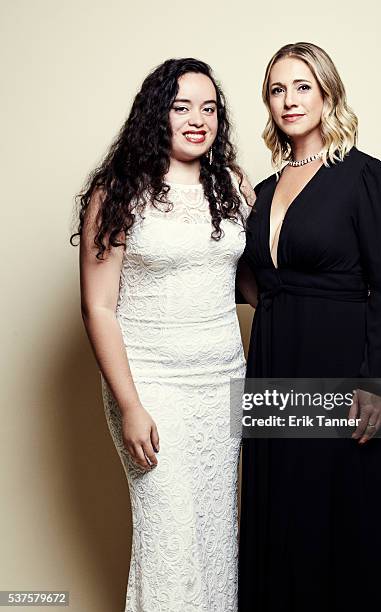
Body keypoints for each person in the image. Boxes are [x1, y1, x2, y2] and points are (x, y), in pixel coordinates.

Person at [71, 58, 255, 612]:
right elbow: (97, 306)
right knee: (170, 543)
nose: (198, 119)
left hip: (223, 380)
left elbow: (253, 281)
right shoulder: (119, 191)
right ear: (157, 115)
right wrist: (130, 405)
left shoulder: (233, 187)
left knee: (217, 536)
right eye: (181, 107)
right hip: (152, 386)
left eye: (209, 108)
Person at [237, 42, 381, 611]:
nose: (289, 101)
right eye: (277, 90)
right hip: (274, 360)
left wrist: (375, 382)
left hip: (342, 365)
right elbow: (249, 282)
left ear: (327, 93)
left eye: (302, 87)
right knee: (284, 510)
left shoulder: (364, 176)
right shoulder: (261, 194)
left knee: (343, 513)